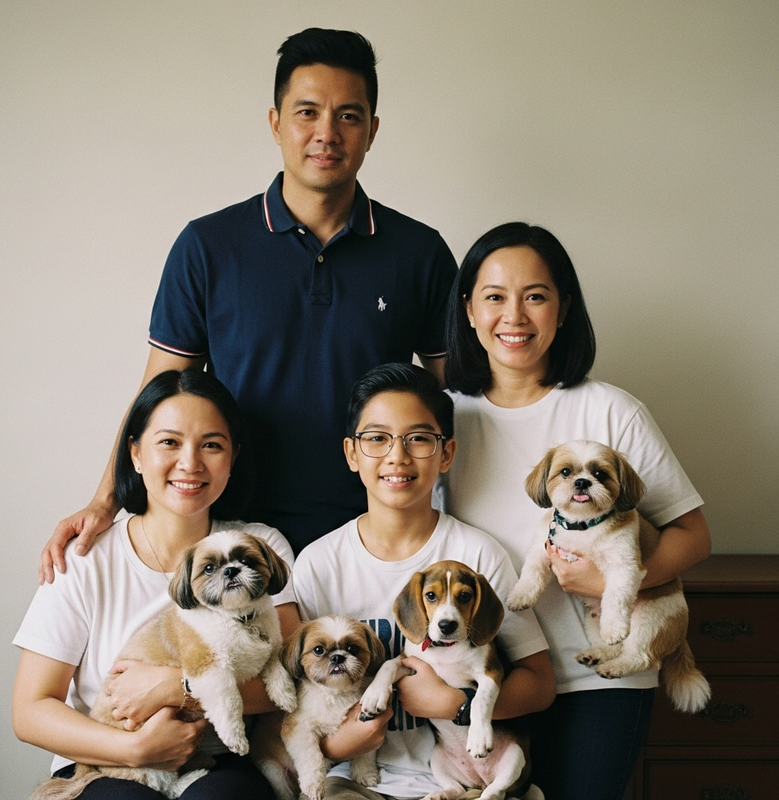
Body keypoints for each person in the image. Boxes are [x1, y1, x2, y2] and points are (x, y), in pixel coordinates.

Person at [39, 27, 457, 580]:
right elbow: (159, 390)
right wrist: (105, 502)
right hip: (234, 538)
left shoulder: (420, 252)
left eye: (348, 116)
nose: (326, 133)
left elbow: (463, 399)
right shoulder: (209, 246)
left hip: (378, 540)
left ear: (372, 131)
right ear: (276, 122)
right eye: (307, 112)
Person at [441, 222, 712, 800]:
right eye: (494, 297)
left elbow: (693, 534)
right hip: (493, 675)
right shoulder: (444, 419)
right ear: (468, 310)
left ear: (562, 309)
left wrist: (613, 579)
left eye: (535, 296)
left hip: (599, 679)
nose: (513, 316)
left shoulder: (612, 410)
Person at [13, 369, 299, 799]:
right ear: (135, 453)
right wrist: (134, 749)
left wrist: (177, 688)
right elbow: (30, 711)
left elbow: (293, 679)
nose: (190, 463)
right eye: (169, 442)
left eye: (212, 445)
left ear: (233, 457)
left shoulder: (258, 546)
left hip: (219, 757)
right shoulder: (84, 557)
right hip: (106, 758)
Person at [291, 362, 555, 798]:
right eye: (377, 438)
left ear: (446, 453)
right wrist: (340, 745)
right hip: (351, 776)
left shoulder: (477, 556)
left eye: (418, 438)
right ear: (352, 453)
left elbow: (539, 685)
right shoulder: (318, 563)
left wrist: (452, 705)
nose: (397, 455)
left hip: (459, 779)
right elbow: (291, 698)